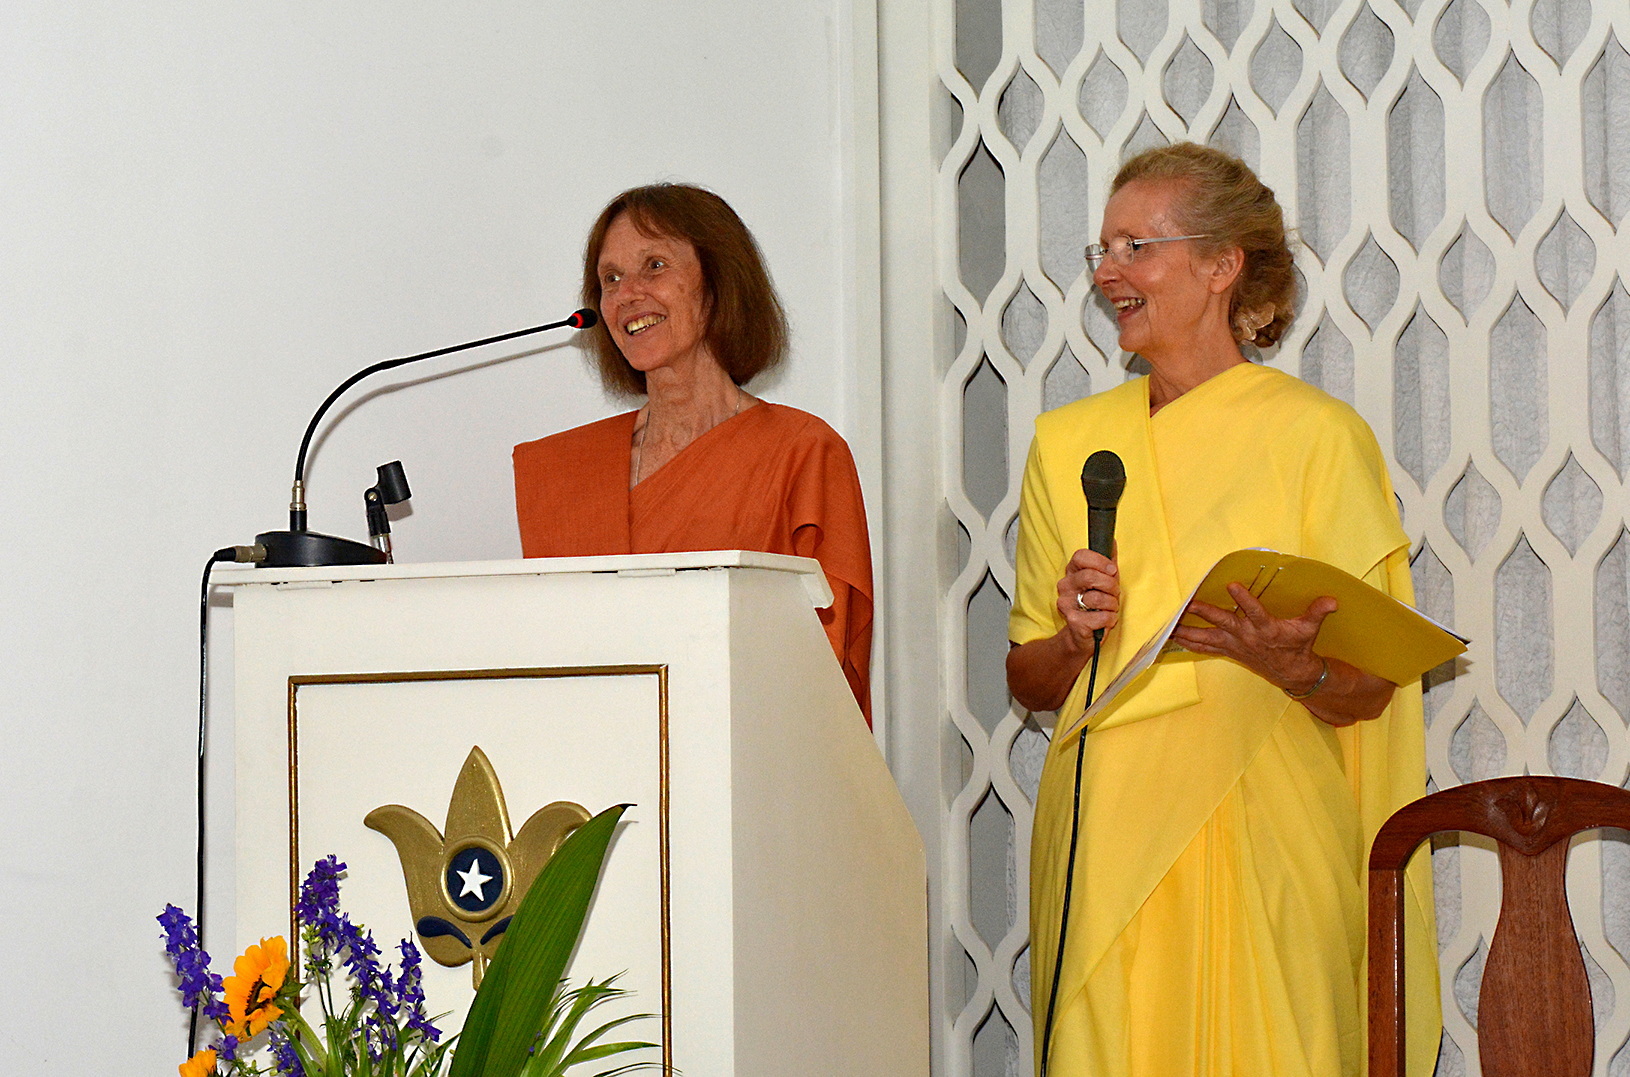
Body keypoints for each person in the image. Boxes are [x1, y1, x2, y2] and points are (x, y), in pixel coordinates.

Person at [1006, 143, 1438, 1076]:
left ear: (1221, 264)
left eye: (1138, 246)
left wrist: (1297, 666)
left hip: (1265, 819)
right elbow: (1027, 678)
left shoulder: (1319, 438)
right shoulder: (1070, 444)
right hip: (1104, 826)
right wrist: (1076, 636)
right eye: (1104, 250)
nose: (1110, 272)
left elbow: (1370, 687)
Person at [514, 183, 873, 723]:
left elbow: (823, 670)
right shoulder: (565, 471)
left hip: (752, 765)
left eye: (653, 266)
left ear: (718, 285)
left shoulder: (804, 454)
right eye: (610, 279)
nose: (627, 294)